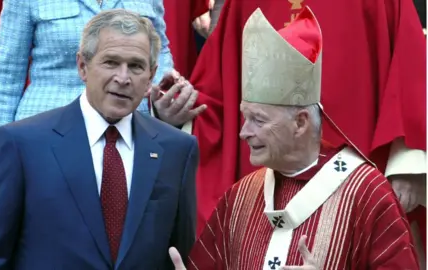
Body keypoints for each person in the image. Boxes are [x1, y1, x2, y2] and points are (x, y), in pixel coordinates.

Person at [168, 7, 419, 269]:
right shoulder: (240, 198)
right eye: (245, 117)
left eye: (259, 120)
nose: (243, 132)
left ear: (300, 123)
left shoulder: (368, 196)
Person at [0, 10, 198, 269]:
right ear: (82, 66)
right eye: (111, 62)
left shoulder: (176, 150)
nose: (123, 78)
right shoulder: (21, 146)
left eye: (136, 66)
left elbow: (179, 254)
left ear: (150, 76)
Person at [0, 0, 206, 197]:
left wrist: (164, 100)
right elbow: (5, 77)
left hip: (127, 143)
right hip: (44, 147)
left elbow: (159, 51)